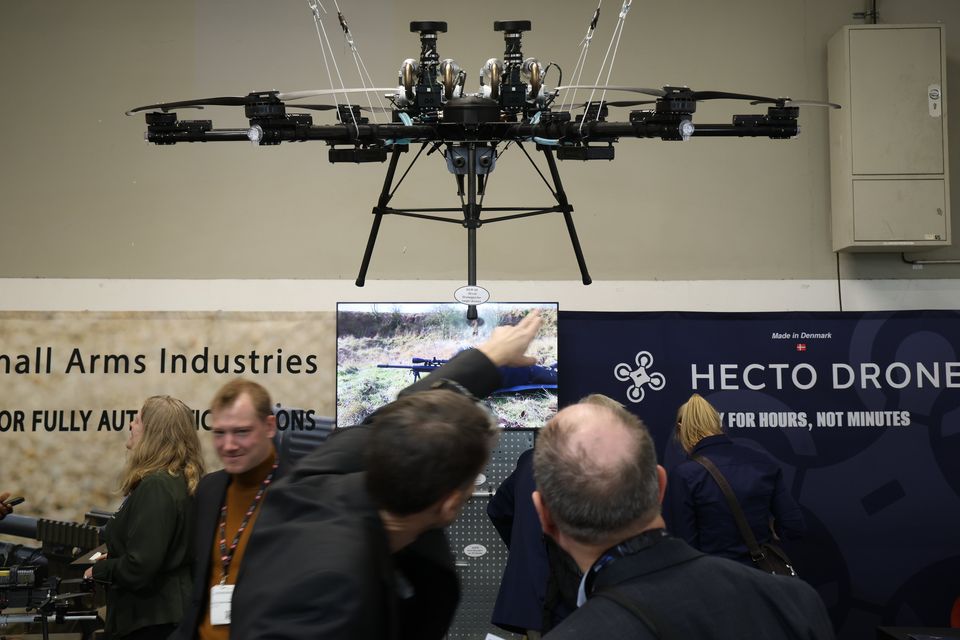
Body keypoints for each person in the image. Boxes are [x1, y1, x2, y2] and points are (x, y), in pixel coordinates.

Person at [229, 310, 544, 640]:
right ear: (450, 505)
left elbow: (395, 418)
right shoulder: (332, 591)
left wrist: (487, 358)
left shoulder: (316, 480)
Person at [531, 395, 834, 639]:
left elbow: (686, 542)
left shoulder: (689, 476)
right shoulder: (798, 603)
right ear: (658, 488)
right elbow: (795, 526)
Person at [85, 396, 205, 640]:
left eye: (137, 420)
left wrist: (99, 570)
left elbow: (139, 568)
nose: (130, 424)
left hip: (151, 623)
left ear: (153, 432)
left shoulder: (157, 485)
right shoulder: (177, 480)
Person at [173, 378, 280, 640]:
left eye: (242, 432)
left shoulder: (299, 494)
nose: (229, 445)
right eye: (220, 433)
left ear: (269, 426)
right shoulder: (209, 490)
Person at [663, 393, 805, 564]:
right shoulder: (763, 462)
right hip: (762, 578)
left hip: (716, 580)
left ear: (680, 428)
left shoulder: (685, 475)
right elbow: (794, 526)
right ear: (718, 424)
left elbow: (684, 548)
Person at [488, 448, 578, 637]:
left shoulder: (532, 458)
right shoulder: (596, 463)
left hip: (531, 602)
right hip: (572, 604)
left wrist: (525, 551)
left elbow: (498, 510)